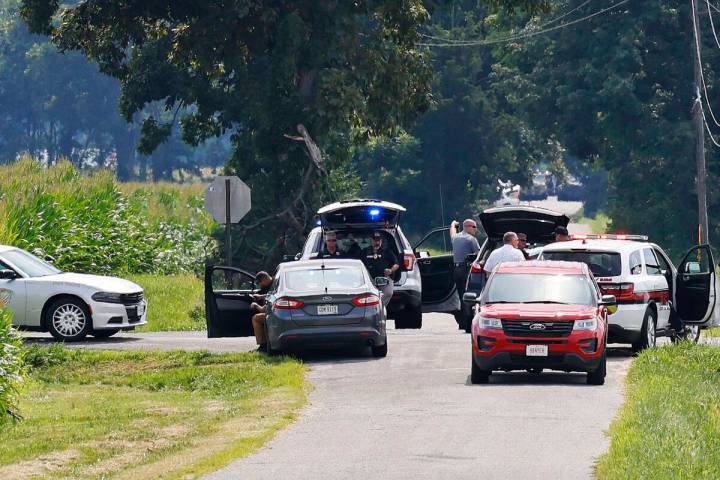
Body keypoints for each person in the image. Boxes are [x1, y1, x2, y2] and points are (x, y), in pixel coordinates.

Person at [450, 219, 481, 326]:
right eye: (474, 227)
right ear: (467, 227)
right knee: (468, 296)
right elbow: (478, 255)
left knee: (460, 295)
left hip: (456, 270)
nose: (476, 229)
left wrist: (453, 224)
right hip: (466, 270)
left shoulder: (455, 238)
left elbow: (452, 232)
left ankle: (462, 322)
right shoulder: (471, 239)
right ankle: (468, 322)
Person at [361, 231, 400, 306]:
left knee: (389, 293)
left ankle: (380, 307)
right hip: (369, 279)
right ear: (371, 241)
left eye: (378, 240)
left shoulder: (387, 251)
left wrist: (390, 270)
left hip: (384, 278)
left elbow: (396, 264)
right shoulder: (365, 252)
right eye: (375, 240)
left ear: (381, 241)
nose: (377, 242)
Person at [250, 271, 273, 352]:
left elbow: (265, 309)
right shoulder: (275, 283)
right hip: (277, 313)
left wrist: (255, 305)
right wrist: (261, 296)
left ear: (264, 279)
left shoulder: (274, 286)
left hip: (275, 315)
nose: (260, 286)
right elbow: (271, 295)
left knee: (256, 318)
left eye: (260, 283)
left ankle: (263, 346)